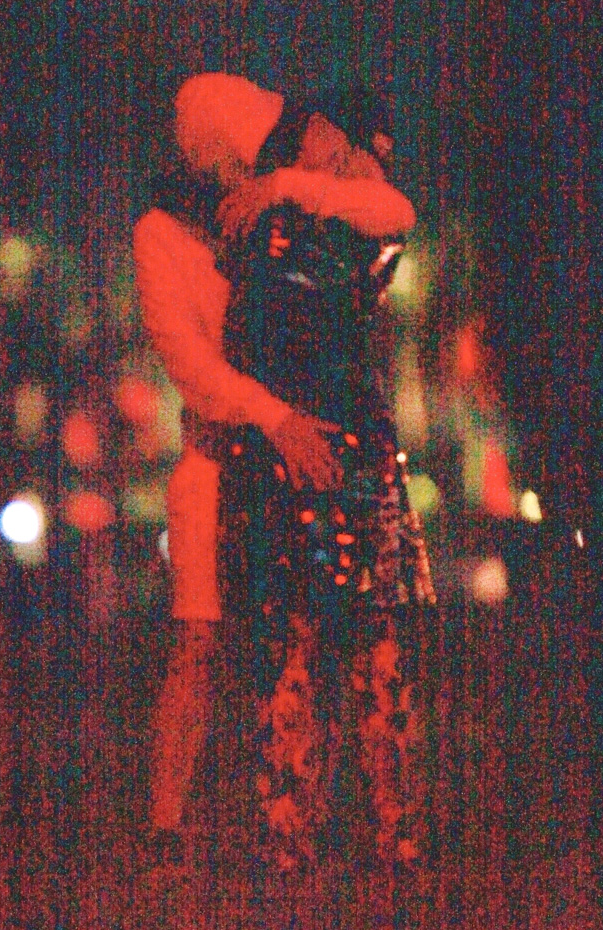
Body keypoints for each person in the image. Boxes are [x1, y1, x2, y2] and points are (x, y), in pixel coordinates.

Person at [133, 73, 418, 889]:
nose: (247, 165)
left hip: (291, 456)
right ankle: (170, 824)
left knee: (308, 636)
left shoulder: (282, 214)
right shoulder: (165, 233)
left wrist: (292, 185)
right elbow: (190, 363)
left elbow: (390, 213)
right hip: (223, 455)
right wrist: (276, 417)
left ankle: (311, 825)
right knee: (202, 639)